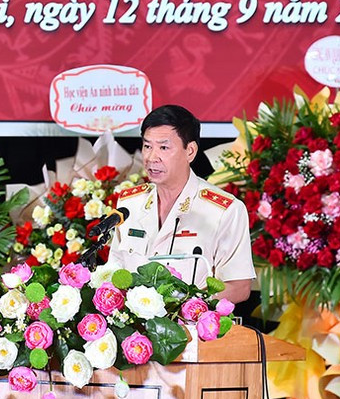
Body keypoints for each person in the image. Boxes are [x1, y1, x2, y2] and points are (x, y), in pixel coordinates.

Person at [107, 105, 255, 303]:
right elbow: (113, 272)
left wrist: (186, 306)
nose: (152, 157)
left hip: (192, 328)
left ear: (190, 151)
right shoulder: (129, 203)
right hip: (134, 328)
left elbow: (239, 287)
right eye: (147, 146)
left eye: (164, 147)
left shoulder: (225, 210)